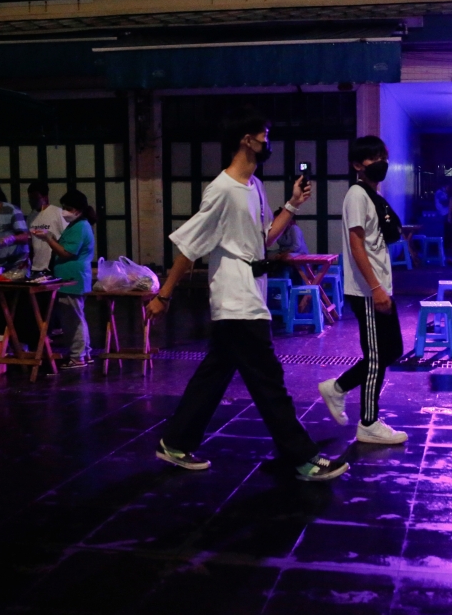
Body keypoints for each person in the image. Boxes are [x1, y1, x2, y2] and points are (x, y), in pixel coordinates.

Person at [148, 106, 347, 481]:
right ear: (247, 139)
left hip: (249, 293)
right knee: (268, 381)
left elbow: (262, 239)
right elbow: (190, 247)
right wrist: (165, 294)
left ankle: (174, 443)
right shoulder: (222, 190)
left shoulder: (253, 186)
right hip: (236, 299)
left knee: (214, 376)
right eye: (264, 136)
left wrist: (291, 205)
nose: (267, 142)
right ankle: (303, 457)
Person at [318, 136, 407, 445]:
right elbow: (356, 246)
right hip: (369, 291)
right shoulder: (357, 194)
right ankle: (368, 422)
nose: (380, 163)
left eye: (383, 156)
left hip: (380, 287)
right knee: (376, 355)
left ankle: (337, 388)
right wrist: (375, 287)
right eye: (373, 158)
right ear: (357, 165)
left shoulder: (371, 195)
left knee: (392, 350)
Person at [34, 190, 96, 368]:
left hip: (73, 279)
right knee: (75, 317)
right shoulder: (76, 225)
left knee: (73, 319)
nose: (64, 212)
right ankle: (84, 353)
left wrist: (48, 239)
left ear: (78, 210)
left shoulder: (80, 227)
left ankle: (78, 356)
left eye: (68, 208)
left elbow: (67, 252)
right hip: (69, 278)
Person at [26, 181, 64, 276]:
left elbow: (65, 238)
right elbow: (30, 241)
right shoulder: (31, 216)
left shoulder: (57, 213)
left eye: (35, 198)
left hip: (51, 266)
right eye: (30, 198)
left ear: (45, 197)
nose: (32, 201)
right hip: (35, 267)